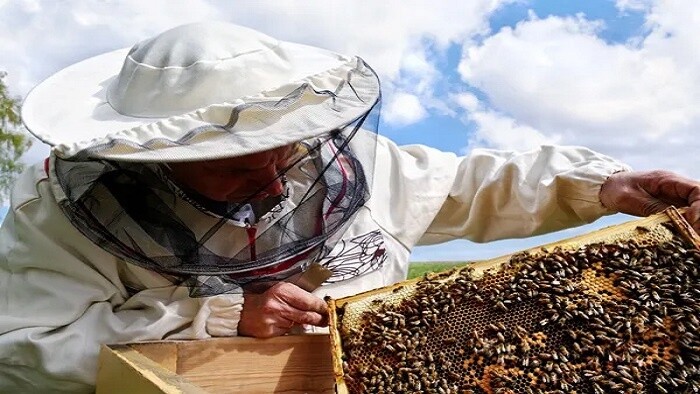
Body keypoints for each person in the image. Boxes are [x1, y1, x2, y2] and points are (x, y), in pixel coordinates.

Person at [0, 21, 698, 392]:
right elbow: (23, 352)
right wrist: (213, 318)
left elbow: (475, 184)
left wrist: (602, 187)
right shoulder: (59, 223)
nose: (276, 183)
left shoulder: (352, 167)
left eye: (282, 153)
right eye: (241, 169)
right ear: (157, 166)